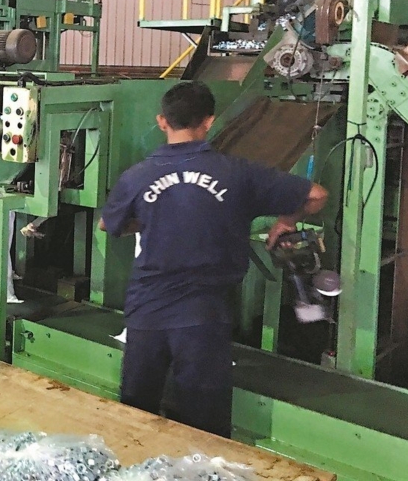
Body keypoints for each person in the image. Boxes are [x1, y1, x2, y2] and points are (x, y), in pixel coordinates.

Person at [99, 81, 328, 438]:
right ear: (209, 121)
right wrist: (287, 221)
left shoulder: (137, 176)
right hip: (204, 318)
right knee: (205, 432)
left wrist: (155, 215)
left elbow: (107, 224)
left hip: (146, 315)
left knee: (134, 421)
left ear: (162, 121)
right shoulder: (240, 173)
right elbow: (316, 195)